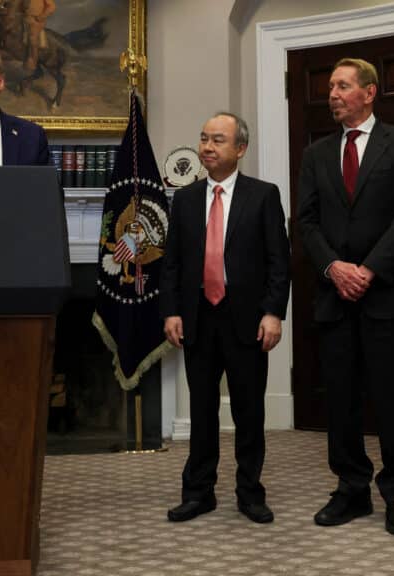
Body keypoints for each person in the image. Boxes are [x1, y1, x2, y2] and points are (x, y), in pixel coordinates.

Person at [297, 58, 394, 536]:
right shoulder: (316, 153)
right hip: (335, 297)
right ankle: (351, 489)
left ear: (369, 92)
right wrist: (334, 268)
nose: (332, 94)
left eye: (342, 85)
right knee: (341, 400)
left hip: (389, 295)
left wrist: (369, 269)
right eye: (330, 86)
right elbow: (306, 222)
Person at [160, 112, 290, 524]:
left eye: (218, 140)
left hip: (246, 318)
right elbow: (172, 263)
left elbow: (279, 261)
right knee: (202, 410)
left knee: (248, 411)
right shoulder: (185, 199)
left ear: (240, 148)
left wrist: (273, 313)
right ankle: (198, 492)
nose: (207, 147)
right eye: (204, 138)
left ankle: (250, 493)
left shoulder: (263, 195)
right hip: (198, 316)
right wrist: (172, 310)